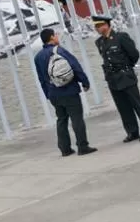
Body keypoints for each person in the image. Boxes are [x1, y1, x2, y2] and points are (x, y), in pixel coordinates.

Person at [33, 28, 97, 157]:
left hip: (53, 94)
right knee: (76, 118)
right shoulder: (60, 51)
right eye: (56, 35)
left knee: (61, 120)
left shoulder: (38, 57)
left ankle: (65, 149)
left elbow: (41, 78)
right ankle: (82, 146)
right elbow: (75, 67)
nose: (57, 37)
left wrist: (48, 94)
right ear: (52, 37)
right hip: (69, 91)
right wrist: (85, 82)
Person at [93, 15, 140, 142]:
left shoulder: (121, 37)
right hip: (112, 78)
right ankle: (132, 131)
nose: (98, 29)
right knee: (123, 107)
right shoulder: (99, 42)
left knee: (137, 104)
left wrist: (127, 67)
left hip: (125, 75)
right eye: (96, 27)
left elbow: (134, 54)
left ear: (107, 25)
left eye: (100, 26)